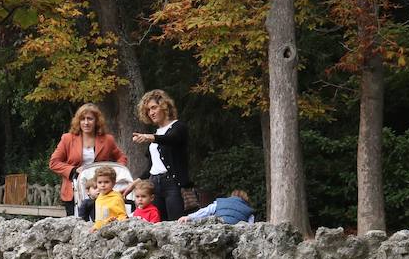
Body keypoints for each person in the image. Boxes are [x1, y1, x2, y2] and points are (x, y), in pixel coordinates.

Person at [49, 104, 126, 215]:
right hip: (74, 190)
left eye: (90, 119)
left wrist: (114, 172)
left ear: (96, 121)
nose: (86, 122)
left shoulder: (108, 140)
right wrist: (74, 170)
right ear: (78, 121)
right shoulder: (67, 138)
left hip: (102, 190)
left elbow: (121, 158)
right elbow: (54, 163)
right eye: (82, 119)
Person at [131, 89, 191, 222]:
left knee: (176, 224)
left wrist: (149, 137)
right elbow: (151, 167)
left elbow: (171, 139)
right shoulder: (156, 133)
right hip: (153, 184)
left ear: (164, 106)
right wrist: (132, 184)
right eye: (148, 110)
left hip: (173, 184)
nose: (151, 113)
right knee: (156, 225)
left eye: (154, 107)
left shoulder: (178, 127)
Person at [180, 189, 256, 224]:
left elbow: (206, 211)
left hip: (220, 227)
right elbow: (250, 227)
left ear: (231, 197)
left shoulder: (220, 202)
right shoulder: (249, 211)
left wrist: (189, 217)